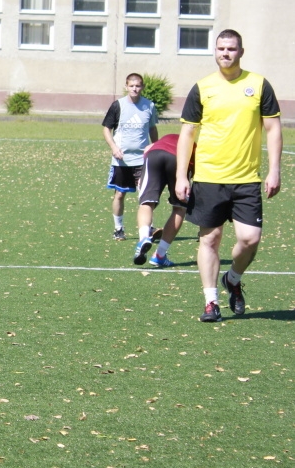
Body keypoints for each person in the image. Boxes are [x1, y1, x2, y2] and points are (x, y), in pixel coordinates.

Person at [176, 30, 282, 322]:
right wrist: (181, 176)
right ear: (215, 51)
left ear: (241, 52)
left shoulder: (259, 85)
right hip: (209, 177)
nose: (225, 53)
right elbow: (187, 133)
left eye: (231, 48)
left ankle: (232, 279)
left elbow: (272, 129)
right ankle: (211, 302)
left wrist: (274, 170)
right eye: (221, 48)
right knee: (210, 239)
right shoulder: (202, 87)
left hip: (247, 178)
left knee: (249, 239)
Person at [102, 73, 158, 240]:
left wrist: (155, 147)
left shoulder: (149, 106)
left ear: (142, 87)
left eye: (138, 85)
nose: (135, 88)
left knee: (145, 196)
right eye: (132, 85)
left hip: (143, 159)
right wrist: (113, 147)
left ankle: (147, 227)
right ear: (126, 86)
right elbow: (106, 129)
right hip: (122, 160)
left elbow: (152, 128)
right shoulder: (117, 105)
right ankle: (118, 228)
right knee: (119, 195)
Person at [134, 132, 195, 268]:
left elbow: (147, 148)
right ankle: (160, 255)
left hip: (154, 155)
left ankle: (144, 238)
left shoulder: (165, 138)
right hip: (178, 160)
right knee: (179, 208)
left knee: (146, 203)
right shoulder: (193, 145)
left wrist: (143, 174)